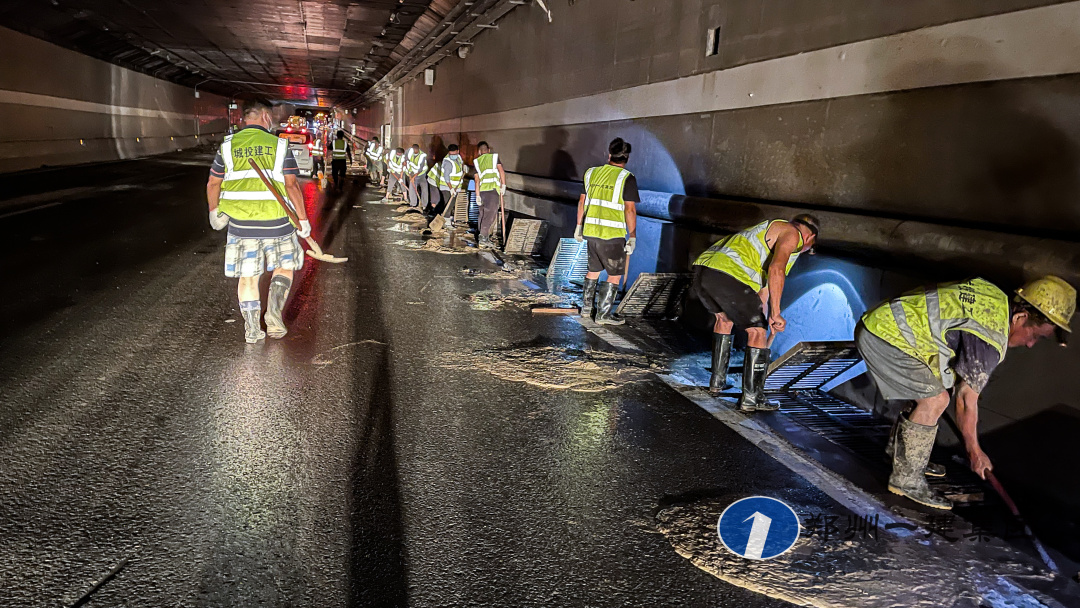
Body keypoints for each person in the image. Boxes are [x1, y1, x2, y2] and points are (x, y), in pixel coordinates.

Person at [857, 276, 1074, 510]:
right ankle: (906, 479)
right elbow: (965, 400)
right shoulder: (989, 337)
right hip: (887, 336)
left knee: (938, 384)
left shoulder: (993, 298)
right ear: (1021, 318)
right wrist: (975, 452)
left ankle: (904, 456)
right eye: (1035, 336)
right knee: (935, 400)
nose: (1031, 344)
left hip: (888, 325)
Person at [206, 100, 311, 343]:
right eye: (271, 116)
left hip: (241, 225)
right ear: (265, 117)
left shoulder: (228, 147)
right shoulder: (279, 145)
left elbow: (213, 183)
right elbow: (291, 185)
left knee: (248, 277)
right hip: (278, 223)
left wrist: (214, 211)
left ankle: (252, 329)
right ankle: (274, 318)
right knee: (284, 267)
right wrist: (302, 219)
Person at [690, 214, 819, 409]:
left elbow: (762, 295)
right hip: (729, 274)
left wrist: (768, 318)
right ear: (810, 238)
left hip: (705, 272)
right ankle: (752, 398)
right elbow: (777, 270)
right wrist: (775, 314)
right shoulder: (792, 233)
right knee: (757, 332)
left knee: (725, 321)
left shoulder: (767, 232)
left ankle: (717, 383)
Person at [574, 138, 639, 326]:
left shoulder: (591, 173)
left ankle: (587, 309)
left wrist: (579, 226)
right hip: (612, 235)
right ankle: (603, 315)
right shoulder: (627, 178)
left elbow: (582, 202)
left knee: (593, 270)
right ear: (626, 158)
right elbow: (630, 210)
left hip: (591, 232)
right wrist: (632, 236)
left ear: (609, 155)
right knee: (614, 274)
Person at [471, 141, 506, 247]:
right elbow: (501, 171)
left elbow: (477, 180)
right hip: (492, 191)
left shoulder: (477, 162)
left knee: (482, 214)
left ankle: (481, 235)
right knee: (490, 215)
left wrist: (477, 195)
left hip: (482, 191)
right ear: (488, 150)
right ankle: (483, 238)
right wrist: (503, 185)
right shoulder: (494, 158)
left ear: (479, 151)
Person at [437, 145, 466, 227]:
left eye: (454, 154)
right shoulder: (448, 162)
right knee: (449, 204)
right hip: (447, 187)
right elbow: (446, 177)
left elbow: (460, 165)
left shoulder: (459, 158)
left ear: (458, 151)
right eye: (451, 154)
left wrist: (464, 168)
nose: (453, 156)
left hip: (455, 187)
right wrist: (451, 188)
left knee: (451, 203)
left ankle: (447, 218)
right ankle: (447, 222)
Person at [406, 144, 428, 209]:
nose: (414, 151)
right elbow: (407, 164)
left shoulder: (422, 156)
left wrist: (413, 177)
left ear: (418, 149)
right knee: (412, 188)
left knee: (424, 189)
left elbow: (420, 169)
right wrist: (410, 175)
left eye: (415, 150)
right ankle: (413, 204)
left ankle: (424, 205)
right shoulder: (410, 154)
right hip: (413, 173)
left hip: (421, 174)